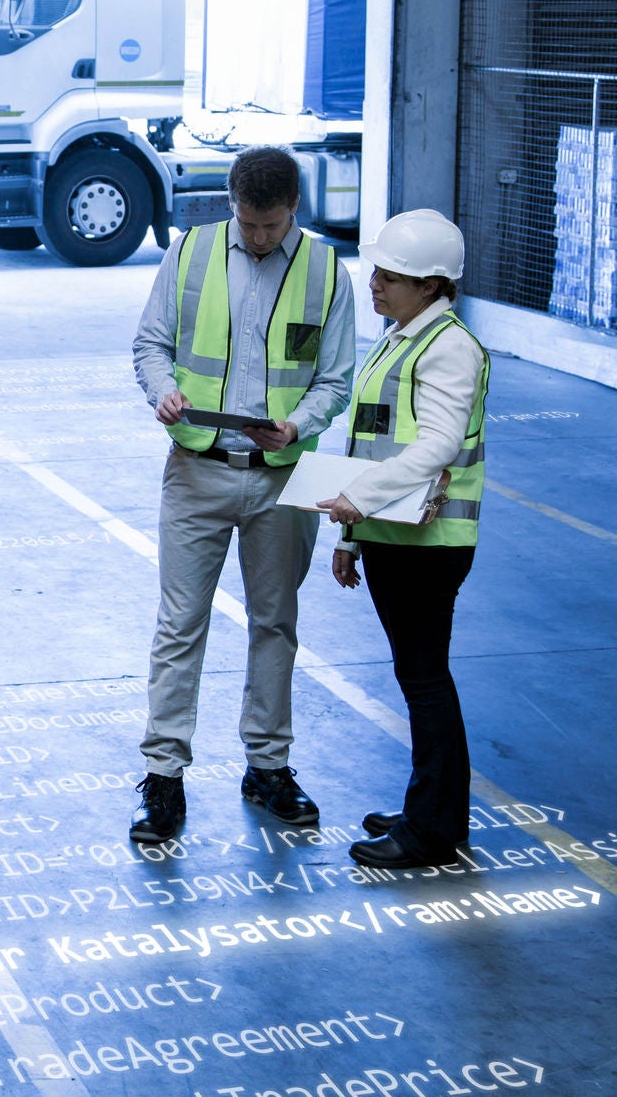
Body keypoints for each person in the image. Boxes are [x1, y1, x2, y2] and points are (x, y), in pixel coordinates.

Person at [128, 146, 357, 843]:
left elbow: (336, 377)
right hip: (197, 469)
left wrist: (301, 424)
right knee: (179, 624)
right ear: (231, 202)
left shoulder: (325, 271)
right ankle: (163, 775)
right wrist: (163, 392)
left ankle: (267, 765)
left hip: (282, 476)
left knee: (275, 624)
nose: (260, 239)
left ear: (295, 209)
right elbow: (149, 344)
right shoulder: (191, 253)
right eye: (250, 224)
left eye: (274, 226)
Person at [316, 208, 490, 871]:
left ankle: (431, 831)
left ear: (431, 285)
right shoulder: (402, 337)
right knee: (421, 677)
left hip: (428, 546)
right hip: (394, 536)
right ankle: (433, 809)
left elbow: (439, 443)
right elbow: (375, 442)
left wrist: (359, 501)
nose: (375, 284)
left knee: (424, 681)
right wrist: (354, 536)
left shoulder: (446, 346)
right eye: (378, 271)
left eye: (391, 276)